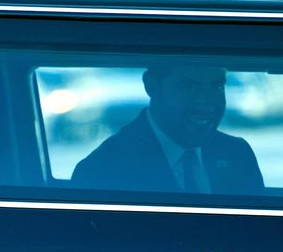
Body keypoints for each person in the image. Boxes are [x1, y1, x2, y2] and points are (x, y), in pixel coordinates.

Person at [70, 65, 264, 194]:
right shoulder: (101, 169)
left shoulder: (238, 153)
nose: (207, 103)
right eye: (190, 88)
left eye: (217, 88)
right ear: (152, 87)